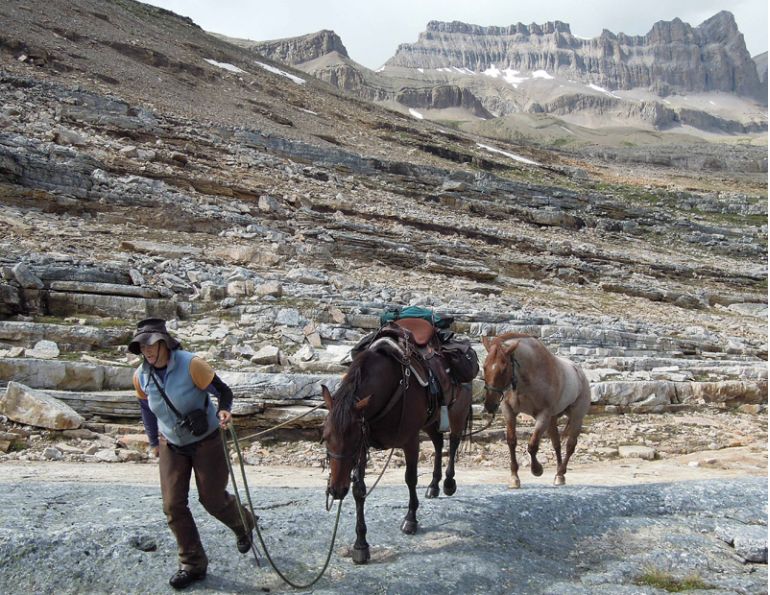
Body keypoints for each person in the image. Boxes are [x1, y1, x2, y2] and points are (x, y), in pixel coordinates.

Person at [129, 318, 255, 590]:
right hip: (172, 444)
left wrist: (224, 409)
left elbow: (223, 391)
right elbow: (146, 409)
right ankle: (192, 564)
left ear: (164, 343)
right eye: (141, 347)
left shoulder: (191, 364)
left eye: (151, 345)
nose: (147, 351)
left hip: (207, 440)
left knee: (212, 500)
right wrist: (153, 442)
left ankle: (244, 523)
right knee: (173, 505)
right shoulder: (140, 376)